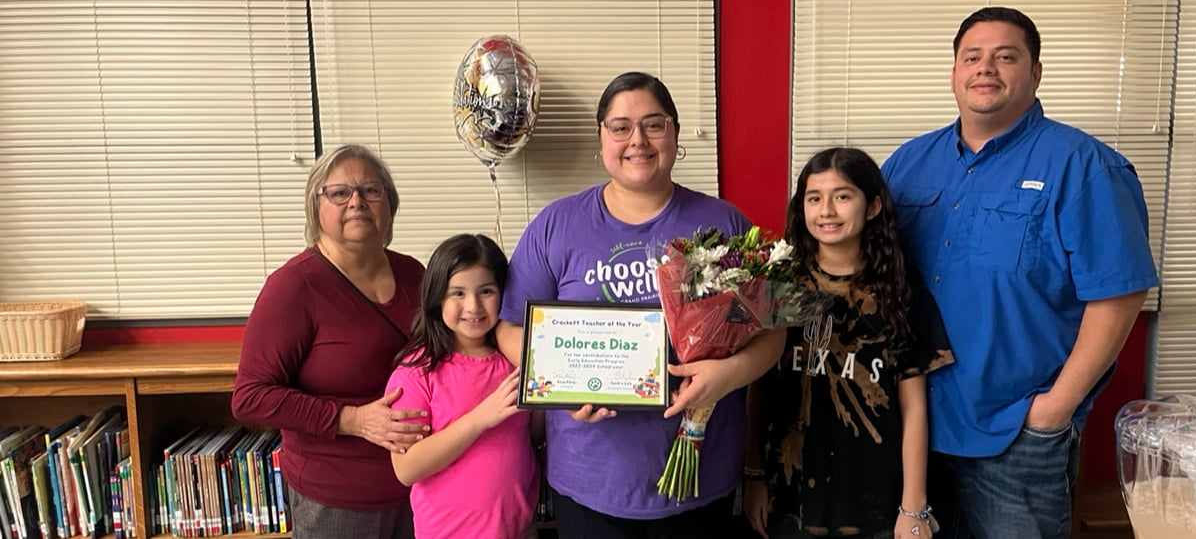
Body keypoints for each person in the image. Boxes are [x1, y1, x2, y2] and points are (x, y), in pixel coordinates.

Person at [880, 7, 1158, 539]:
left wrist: (1054, 409)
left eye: (1006, 57)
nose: (986, 68)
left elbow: (1120, 294)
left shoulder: (1086, 166)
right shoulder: (907, 164)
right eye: (973, 57)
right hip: (914, 426)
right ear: (954, 72)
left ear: (1034, 73)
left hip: (1015, 434)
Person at [495, 71, 784, 538]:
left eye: (654, 124)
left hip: (699, 477)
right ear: (601, 139)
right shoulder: (556, 225)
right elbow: (509, 328)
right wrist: (560, 386)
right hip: (590, 480)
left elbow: (772, 332)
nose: (638, 140)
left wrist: (726, 376)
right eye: (621, 126)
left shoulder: (722, 223)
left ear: (673, 133)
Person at [744, 147, 954, 539]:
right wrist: (753, 474)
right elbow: (759, 388)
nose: (826, 210)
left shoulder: (901, 294)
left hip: (874, 501)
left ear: (872, 207)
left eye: (842, 196)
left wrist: (914, 508)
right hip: (788, 495)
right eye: (814, 198)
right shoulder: (778, 287)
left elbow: (914, 409)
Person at [232, 144, 428, 539]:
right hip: (339, 503)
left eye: (371, 191)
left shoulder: (415, 274)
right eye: (339, 193)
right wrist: (353, 419)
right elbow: (250, 396)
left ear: (389, 204)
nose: (357, 202)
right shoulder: (294, 286)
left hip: (423, 486)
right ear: (316, 208)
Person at [385, 233, 539, 539]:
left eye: (486, 291)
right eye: (458, 293)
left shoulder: (514, 359)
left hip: (519, 529)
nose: (473, 305)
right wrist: (481, 417)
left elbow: (533, 434)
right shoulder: (418, 370)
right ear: (437, 297)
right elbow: (406, 469)